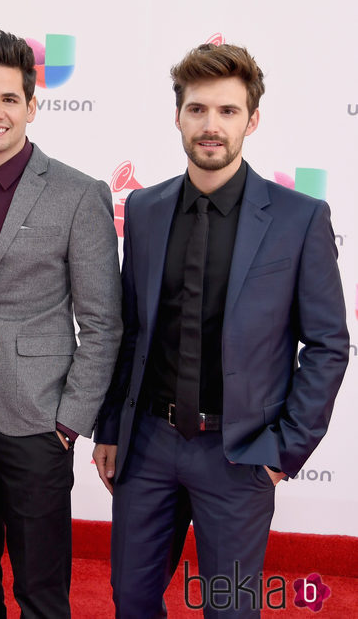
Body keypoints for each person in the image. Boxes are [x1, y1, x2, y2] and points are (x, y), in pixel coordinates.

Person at [92, 43, 350, 618]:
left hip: (239, 454)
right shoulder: (145, 209)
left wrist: (284, 450)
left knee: (229, 609)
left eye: (228, 111)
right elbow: (132, 329)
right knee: (131, 598)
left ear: (252, 120)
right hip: (149, 445)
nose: (211, 126)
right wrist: (111, 426)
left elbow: (330, 344)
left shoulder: (299, 218)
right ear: (178, 116)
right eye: (198, 109)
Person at [0, 29, 122, 618]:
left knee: (41, 588)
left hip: (39, 421)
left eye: (9, 99)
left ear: (32, 106)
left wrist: (69, 422)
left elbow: (103, 322)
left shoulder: (77, 193)